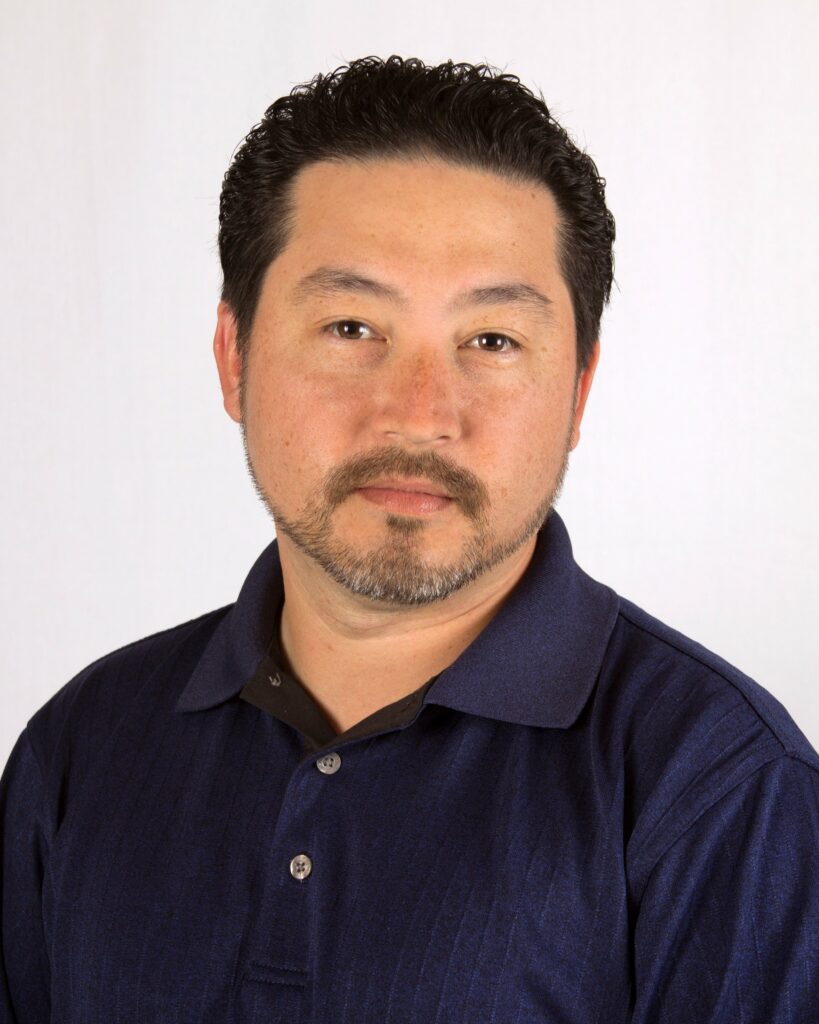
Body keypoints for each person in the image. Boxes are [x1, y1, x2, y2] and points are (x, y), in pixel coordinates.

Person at [1, 55, 816, 1024]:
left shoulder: (718, 787)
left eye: (492, 341)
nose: (420, 414)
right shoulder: (81, 748)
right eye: (352, 327)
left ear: (578, 392)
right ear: (234, 358)